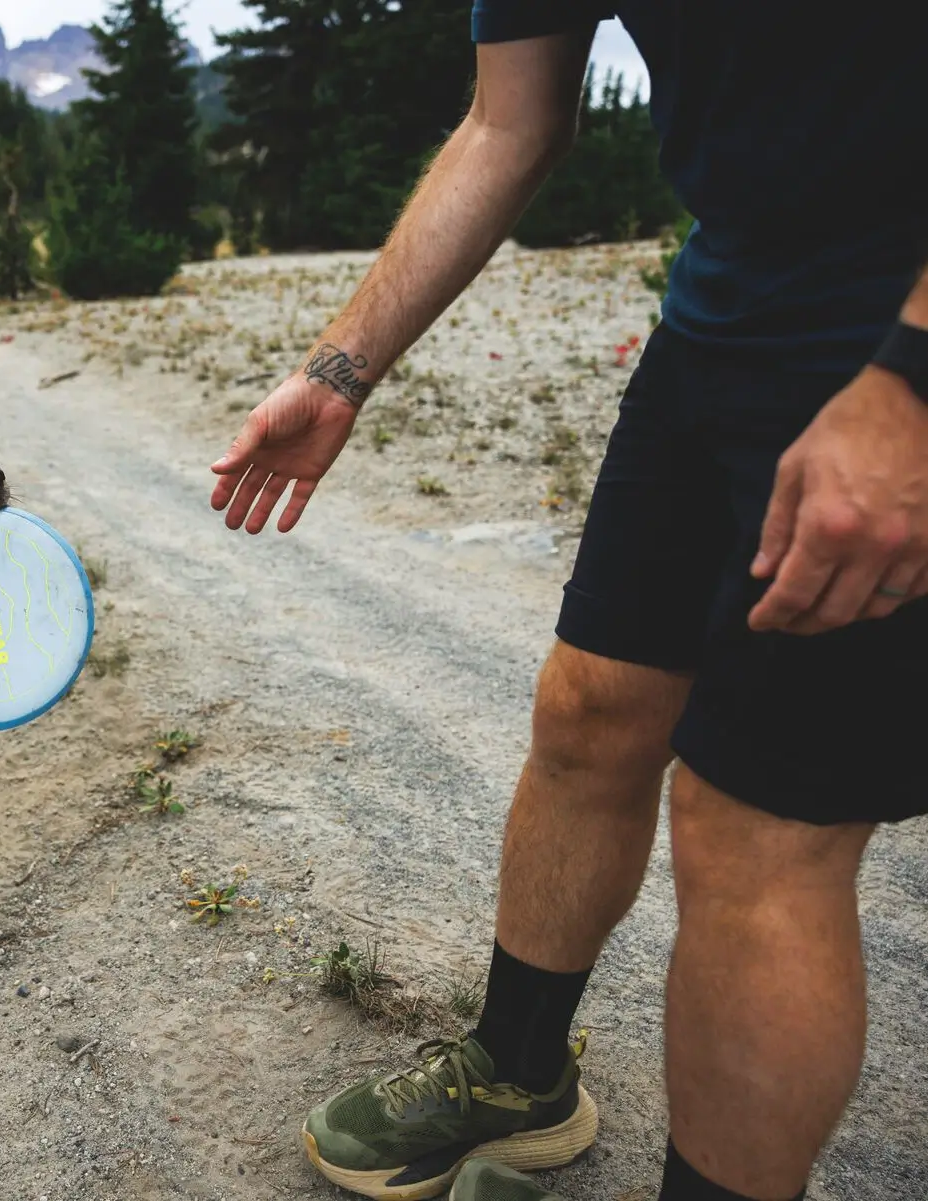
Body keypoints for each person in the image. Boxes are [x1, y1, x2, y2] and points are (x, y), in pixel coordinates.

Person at [210, 4, 928, 1200]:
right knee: (590, 710)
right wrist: (338, 370)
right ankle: (518, 1072)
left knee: (752, 827)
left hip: (894, 329)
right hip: (721, 314)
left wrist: (912, 385)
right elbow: (508, 120)